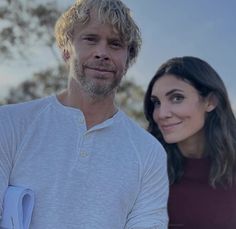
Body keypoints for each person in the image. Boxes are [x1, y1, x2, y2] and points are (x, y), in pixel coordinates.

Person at [0, 0, 169, 228]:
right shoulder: (9, 124)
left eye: (115, 44)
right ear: (66, 49)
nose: (102, 53)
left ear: (128, 59)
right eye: (90, 39)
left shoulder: (149, 153)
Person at [144, 56, 236, 229]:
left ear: (210, 101)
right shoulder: (148, 172)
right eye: (156, 102)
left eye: (177, 98)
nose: (161, 113)